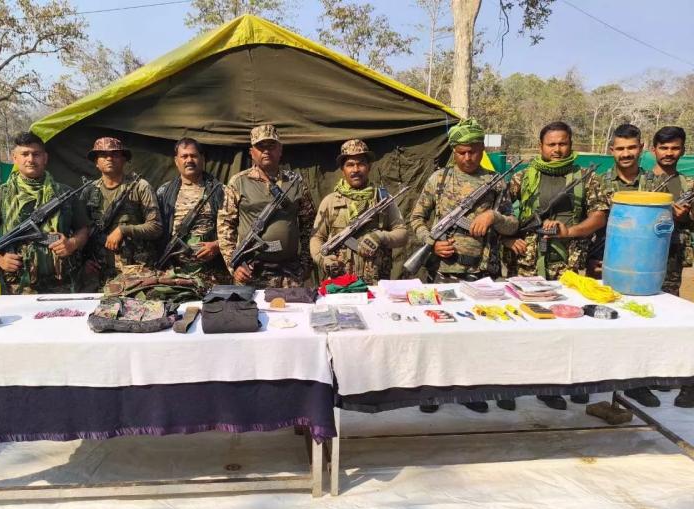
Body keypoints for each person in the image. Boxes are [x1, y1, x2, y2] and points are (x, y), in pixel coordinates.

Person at [409, 118, 518, 414]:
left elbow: (512, 225)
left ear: (482, 149)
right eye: (461, 152)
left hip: (480, 274)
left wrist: (494, 217)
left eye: (473, 151)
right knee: (437, 335)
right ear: (454, 151)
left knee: (475, 336)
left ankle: (471, 391)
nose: (467, 158)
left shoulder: (496, 182)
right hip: (442, 273)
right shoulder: (439, 180)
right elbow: (416, 219)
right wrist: (432, 243)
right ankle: (432, 393)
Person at [503, 121, 609, 411]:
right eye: (551, 144)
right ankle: (520, 381)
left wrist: (569, 231)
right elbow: (501, 211)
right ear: (541, 146)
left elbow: (599, 216)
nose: (557, 149)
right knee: (526, 322)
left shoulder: (586, 177)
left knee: (569, 324)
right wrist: (507, 239)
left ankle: (564, 383)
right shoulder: (524, 176)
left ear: (571, 144)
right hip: (527, 262)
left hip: (569, 262)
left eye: (563, 143)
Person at [622, 126, 694, 409]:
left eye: (675, 148)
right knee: (637, 318)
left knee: (668, 319)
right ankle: (638, 382)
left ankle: (669, 376)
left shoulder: (687, 184)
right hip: (639, 260)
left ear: (683, 150)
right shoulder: (641, 181)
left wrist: (685, 216)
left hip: (672, 259)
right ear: (653, 150)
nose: (669, 153)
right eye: (664, 148)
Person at [0, 131, 89, 295]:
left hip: (62, 283)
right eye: (25, 154)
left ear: (45, 158)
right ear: (15, 158)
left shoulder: (65, 193)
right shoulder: (1, 195)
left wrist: (72, 243)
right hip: (18, 285)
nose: (30, 159)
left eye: (36, 154)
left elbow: (83, 229)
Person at [216, 124, 314, 288]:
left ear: (280, 150)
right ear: (251, 152)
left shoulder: (295, 182)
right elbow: (225, 226)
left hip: (290, 273)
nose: (266, 151)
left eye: (271, 146)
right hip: (251, 272)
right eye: (261, 146)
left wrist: (306, 263)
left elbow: (309, 225)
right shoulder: (238, 182)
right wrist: (234, 265)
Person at [309, 139, 407, 283]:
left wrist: (380, 237)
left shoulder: (382, 199)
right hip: (340, 282)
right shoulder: (330, 201)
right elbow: (316, 237)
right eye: (350, 165)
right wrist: (323, 259)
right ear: (342, 169)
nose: (356, 169)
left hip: (376, 282)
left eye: (361, 163)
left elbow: (402, 233)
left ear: (369, 166)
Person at [79, 137, 162, 290]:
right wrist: (84, 261)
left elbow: (156, 227)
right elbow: (80, 231)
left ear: (124, 159)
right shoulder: (88, 191)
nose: (109, 158)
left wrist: (124, 230)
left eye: (115, 154)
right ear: (96, 162)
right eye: (103, 155)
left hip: (135, 273)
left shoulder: (140, 187)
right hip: (99, 273)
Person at [156, 137, 228, 285]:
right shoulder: (164, 192)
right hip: (175, 275)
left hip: (213, 275)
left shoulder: (220, 191)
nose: (189, 160)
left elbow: (236, 228)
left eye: (193, 155)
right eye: (184, 156)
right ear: (176, 161)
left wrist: (217, 245)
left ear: (202, 158)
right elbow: (156, 230)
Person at [587, 123, 650, 277]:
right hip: (603, 262)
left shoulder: (655, 184)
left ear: (641, 148)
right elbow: (586, 223)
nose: (626, 154)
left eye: (632, 147)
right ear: (612, 150)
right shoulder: (597, 183)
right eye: (620, 148)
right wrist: (589, 258)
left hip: (644, 264)